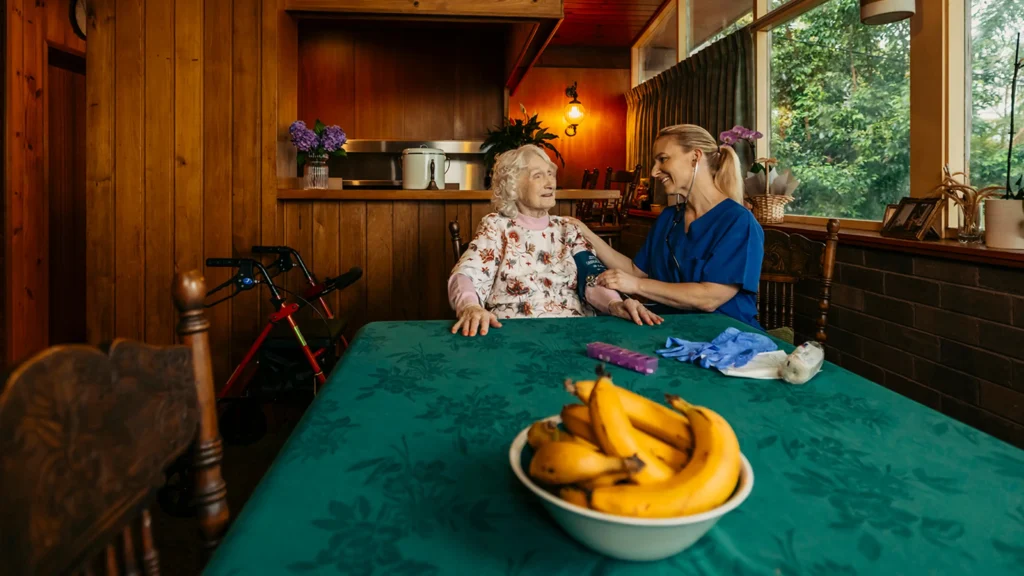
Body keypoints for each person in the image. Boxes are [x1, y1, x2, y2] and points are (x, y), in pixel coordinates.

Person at [447, 145, 663, 336]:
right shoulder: (497, 226)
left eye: (551, 174)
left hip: (571, 331)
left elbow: (592, 277)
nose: (550, 182)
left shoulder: (568, 228)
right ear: (512, 185)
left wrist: (615, 303)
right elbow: (467, 273)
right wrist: (469, 306)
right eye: (538, 175)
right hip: (512, 332)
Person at [574, 124, 765, 328]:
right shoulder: (669, 217)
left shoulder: (738, 222)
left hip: (726, 338)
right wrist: (584, 231)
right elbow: (635, 270)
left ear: (695, 157)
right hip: (670, 330)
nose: (655, 172)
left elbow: (710, 298)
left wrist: (637, 285)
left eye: (663, 159)